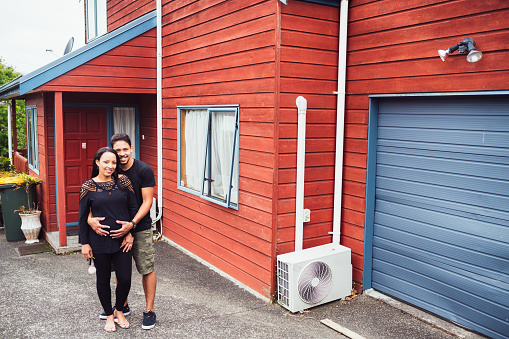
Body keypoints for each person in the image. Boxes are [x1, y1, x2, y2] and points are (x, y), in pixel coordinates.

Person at [88, 133, 157, 330]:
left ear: (131, 148)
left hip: (140, 228)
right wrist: (90, 220)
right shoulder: (110, 170)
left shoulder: (143, 170)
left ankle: (149, 310)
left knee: (146, 267)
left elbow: (147, 201)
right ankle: (122, 306)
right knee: (120, 268)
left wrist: (131, 225)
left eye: (125, 149)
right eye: (117, 150)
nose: (122, 153)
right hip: (117, 229)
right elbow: (91, 199)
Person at [79, 147, 138, 332]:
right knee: (103, 280)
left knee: (125, 278)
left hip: (122, 241)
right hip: (98, 241)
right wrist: (85, 243)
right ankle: (109, 315)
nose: (110, 166)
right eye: (106, 162)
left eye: (113, 162)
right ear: (97, 162)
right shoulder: (88, 186)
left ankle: (119, 309)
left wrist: (130, 231)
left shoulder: (123, 182)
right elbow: (82, 217)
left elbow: (133, 209)